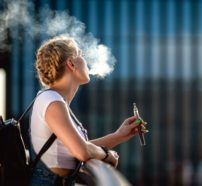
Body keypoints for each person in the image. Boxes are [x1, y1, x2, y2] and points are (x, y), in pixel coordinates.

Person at [30, 35, 141, 185]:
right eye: (80, 54)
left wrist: (119, 135)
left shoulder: (53, 100)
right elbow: (82, 152)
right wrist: (106, 154)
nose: (85, 60)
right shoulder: (52, 101)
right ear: (71, 63)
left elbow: (76, 148)